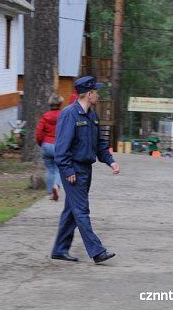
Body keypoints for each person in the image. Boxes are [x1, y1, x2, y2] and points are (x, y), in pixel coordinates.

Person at [51, 76, 120, 263]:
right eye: (96, 92)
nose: (98, 95)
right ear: (89, 94)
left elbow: (100, 144)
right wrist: (67, 171)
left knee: (72, 210)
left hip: (86, 169)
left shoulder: (92, 116)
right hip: (73, 169)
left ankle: (59, 249)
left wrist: (110, 161)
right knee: (81, 210)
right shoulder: (69, 114)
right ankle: (97, 251)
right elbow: (61, 148)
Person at [35, 94, 64, 201]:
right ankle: (56, 186)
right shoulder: (63, 116)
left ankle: (49, 193)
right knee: (58, 169)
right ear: (60, 104)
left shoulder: (45, 116)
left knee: (50, 170)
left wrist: (41, 143)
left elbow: (38, 133)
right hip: (59, 146)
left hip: (46, 145)